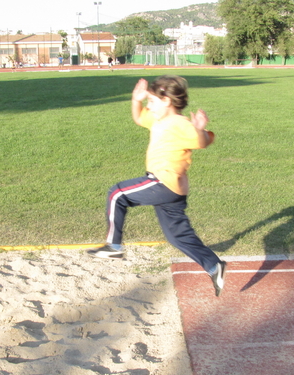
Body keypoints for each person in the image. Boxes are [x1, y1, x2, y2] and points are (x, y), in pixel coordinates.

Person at [88, 76, 226, 296]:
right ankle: (213, 265)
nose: (148, 106)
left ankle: (113, 246)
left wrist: (199, 129)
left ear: (167, 101)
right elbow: (138, 117)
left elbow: (203, 142)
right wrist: (136, 100)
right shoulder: (158, 119)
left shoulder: (180, 123)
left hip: (163, 182)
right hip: (173, 191)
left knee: (117, 194)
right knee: (177, 236)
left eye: (151, 101)